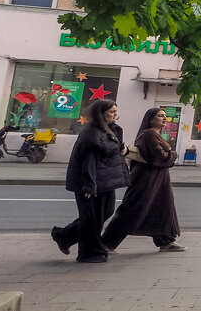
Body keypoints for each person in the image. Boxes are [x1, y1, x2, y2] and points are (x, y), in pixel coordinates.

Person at [51, 99, 130, 263]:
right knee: (91, 217)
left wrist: (125, 150)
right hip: (91, 182)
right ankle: (90, 252)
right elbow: (89, 162)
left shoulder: (110, 129)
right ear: (101, 114)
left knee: (104, 212)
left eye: (116, 110)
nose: (116, 114)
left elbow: (115, 150)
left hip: (105, 180)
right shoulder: (92, 134)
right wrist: (89, 186)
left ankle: (65, 235)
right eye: (112, 112)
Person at [101, 108, 185, 253]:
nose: (165, 118)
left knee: (161, 207)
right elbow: (160, 157)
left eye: (165, 116)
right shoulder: (149, 134)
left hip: (157, 179)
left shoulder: (154, 134)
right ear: (151, 119)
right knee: (133, 209)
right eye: (160, 116)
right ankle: (106, 243)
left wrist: (168, 154)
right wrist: (174, 154)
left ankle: (165, 240)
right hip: (147, 179)